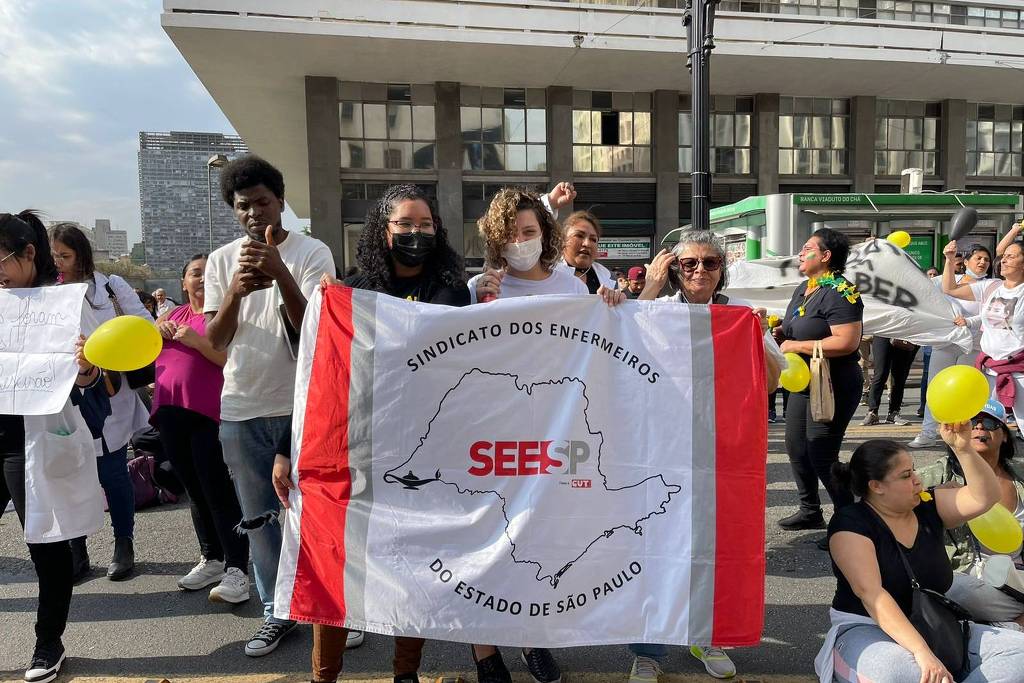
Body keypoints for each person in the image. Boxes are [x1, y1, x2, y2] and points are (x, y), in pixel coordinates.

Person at [273, 183, 468, 683]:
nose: (416, 233)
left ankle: (406, 672)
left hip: (416, 452)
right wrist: (285, 450)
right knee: (335, 562)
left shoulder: (450, 291)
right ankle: (325, 675)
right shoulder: (349, 293)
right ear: (383, 231)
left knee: (411, 568)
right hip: (352, 448)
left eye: (426, 224)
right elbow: (317, 380)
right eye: (405, 224)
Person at [467, 187, 622, 683]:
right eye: (510, 234)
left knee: (540, 540)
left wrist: (612, 304)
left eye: (529, 232)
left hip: (552, 434)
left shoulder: (571, 286)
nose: (520, 242)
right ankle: (485, 650)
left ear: (545, 233)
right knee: (485, 538)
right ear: (495, 239)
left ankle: (534, 638)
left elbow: (595, 349)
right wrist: (480, 303)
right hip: (489, 438)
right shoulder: (479, 287)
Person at [630, 231, 782, 681]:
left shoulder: (739, 316)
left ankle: (708, 635)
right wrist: (650, 288)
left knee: (716, 545)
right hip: (661, 448)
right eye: (689, 263)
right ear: (675, 268)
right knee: (656, 545)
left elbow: (771, 380)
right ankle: (647, 649)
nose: (699, 271)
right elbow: (622, 351)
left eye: (710, 262)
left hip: (721, 452)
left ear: (722, 267)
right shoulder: (656, 312)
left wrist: (757, 337)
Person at [204, 154, 336, 657]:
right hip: (240, 407)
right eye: (243, 206)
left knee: (316, 514)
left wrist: (281, 273)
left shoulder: (312, 252)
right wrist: (236, 291)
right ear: (233, 211)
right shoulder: (221, 261)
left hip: (302, 407)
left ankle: (330, 608)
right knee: (259, 518)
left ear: (280, 201)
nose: (254, 212)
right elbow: (216, 340)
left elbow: (318, 333)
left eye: (263, 201)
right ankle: (275, 611)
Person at [1, 211, 114, 683]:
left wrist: (87, 366)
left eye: (1, 262)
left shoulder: (65, 304)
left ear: (29, 254)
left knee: (45, 545)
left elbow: (97, 381)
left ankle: (48, 644)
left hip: (34, 435)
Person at [815, 433, 1024, 683]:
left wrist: (963, 448)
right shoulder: (851, 523)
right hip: (868, 628)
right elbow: (872, 595)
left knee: (1018, 653)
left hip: (933, 625)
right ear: (876, 486)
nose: (918, 480)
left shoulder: (928, 506)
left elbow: (984, 498)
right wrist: (923, 652)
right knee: (903, 673)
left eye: (914, 470)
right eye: (906, 476)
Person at [50, 222, 152, 581]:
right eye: (55, 256)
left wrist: (102, 349)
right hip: (67, 394)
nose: (59, 262)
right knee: (71, 474)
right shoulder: (49, 291)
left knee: (112, 472)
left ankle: (123, 543)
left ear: (82, 254)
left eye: (66, 255)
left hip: (110, 390)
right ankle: (77, 551)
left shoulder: (110, 285)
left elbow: (143, 324)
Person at [151, 254, 251, 604]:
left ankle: (238, 568)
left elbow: (231, 360)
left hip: (210, 414)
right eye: (195, 273)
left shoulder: (220, 318)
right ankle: (212, 557)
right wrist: (155, 331)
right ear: (183, 282)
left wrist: (196, 342)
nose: (202, 279)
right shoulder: (169, 317)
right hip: (170, 413)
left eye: (209, 274)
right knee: (193, 489)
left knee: (217, 489)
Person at [775, 229, 864, 539]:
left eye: (807, 248)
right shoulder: (805, 287)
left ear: (825, 256)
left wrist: (796, 346)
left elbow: (847, 341)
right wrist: (782, 337)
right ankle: (810, 511)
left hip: (834, 381)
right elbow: (796, 330)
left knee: (821, 452)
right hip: (803, 380)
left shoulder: (841, 290)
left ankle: (850, 521)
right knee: (796, 446)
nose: (801, 253)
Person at [917, 400, 1024, 630]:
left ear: (1004, 435)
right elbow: (893, 496)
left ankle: (1008, 626)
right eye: (972, 422)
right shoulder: (938, 474)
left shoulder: (1020, 478)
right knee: (956, 587)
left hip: (1018, 576)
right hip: (971, 575)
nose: (979, 428)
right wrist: (932, 496)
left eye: (989, 423)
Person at [911, 243, 992, 448]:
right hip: (946, 342)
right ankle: (928, 432)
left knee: (965, 390)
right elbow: (920, 291)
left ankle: (962, 434)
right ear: (965, 262)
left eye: (986, 260)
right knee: (935, 387)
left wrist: (970, 322)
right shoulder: (948, 280)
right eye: (978, 258)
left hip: (973, 346)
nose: (982, 262)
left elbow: (991, 314)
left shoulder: (990, 286)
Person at [944, 241, 1024, 421]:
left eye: (1011, 256)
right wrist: (949, 260)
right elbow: (950, 289)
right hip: (989, 371)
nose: (1004, 260)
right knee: (988, 427)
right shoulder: (992, 286)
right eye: (1004, 257)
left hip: (1019, 372)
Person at [860, 337, 919, 426]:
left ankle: (894, 412)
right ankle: (872, 412)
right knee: (880, 373)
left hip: (904, 335)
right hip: (883, 333)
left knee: (899, 376)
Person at [555, 210, 615, 293]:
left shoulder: (610, 278)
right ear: (563, 240)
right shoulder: (546, 274)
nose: (587, 244)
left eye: (593, 239)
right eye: (579, 235)